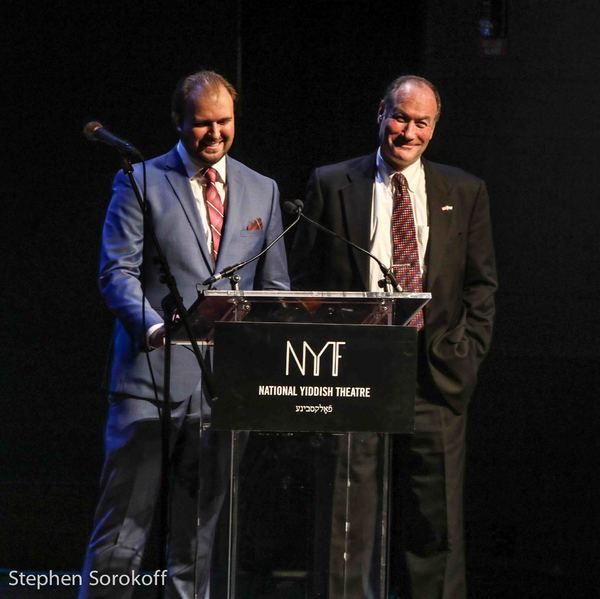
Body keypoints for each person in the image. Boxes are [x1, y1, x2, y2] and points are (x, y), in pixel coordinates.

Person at [79, 70, 289, 599]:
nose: (215, 134)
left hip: (220, 393)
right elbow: (116, 272)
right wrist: (152, 327)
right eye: (202, 124)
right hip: (147, 382)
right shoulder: (140, 179)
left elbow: (274, 288)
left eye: (224, 122)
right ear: (179, 121)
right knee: (122, 536)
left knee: (197, 540)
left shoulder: (262, 190)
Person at [290, 75, 497, 598]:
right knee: (345, 524)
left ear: (435, 127)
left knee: (435, 525)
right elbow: (302, 281)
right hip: (353, 376)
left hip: (435, 376)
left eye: (421, 122)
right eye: (400, 118)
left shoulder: (464, 192)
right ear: (380, 113)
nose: (408, 132)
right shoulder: (332, 182)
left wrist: (464, 355)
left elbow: (481, 286)